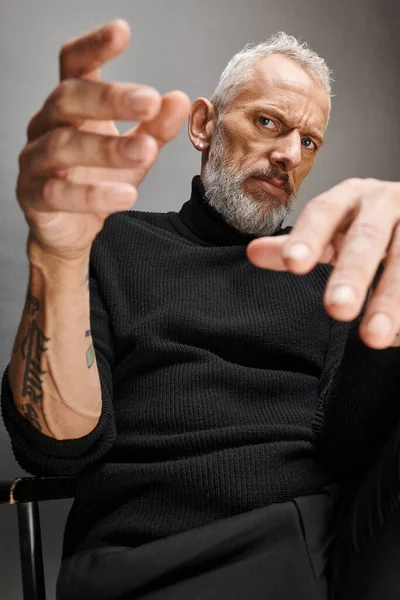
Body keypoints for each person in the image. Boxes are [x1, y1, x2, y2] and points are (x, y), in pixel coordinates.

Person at [2, 18, 400, 600]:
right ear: (203, 125)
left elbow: (358, 449)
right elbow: (57, 448)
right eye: (269, 121)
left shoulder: (330, 272)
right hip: (149, 561)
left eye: (309, 141)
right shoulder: (113, 242)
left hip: (317, 552)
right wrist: (57, 256)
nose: (289, 154)